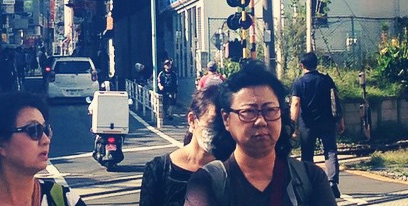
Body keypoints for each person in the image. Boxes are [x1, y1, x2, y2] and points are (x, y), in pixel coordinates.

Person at [184, 61, 336, 206]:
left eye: (270, 110)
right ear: (226, 119)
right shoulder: (206, 183)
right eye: (248, 112)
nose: (261, 121)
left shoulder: (310, 179)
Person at [0, 91, 86, 206]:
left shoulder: (65, 200)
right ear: (0, 144)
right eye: (34, 130)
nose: (46, 140)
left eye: (45, 130)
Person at [139, 84, 235, 206]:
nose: (221, 131)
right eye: (214, 122)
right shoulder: (158, 170)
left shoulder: (234, 168)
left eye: (226, 123)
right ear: (192, 119)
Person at [291, 51, 345, 199]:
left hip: (307, 124)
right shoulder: (326, 80)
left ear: (302, 65)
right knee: (330, 151)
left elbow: (295, 104)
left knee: (307, 155)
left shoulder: (299, 83)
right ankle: (332, 182)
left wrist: (293, 126)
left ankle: (309, 186)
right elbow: (336, 101)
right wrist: (340, 121)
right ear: (316, 64)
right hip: (327, 122)